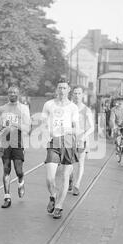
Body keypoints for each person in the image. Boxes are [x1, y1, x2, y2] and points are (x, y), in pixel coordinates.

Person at [42, 78, 79, 219]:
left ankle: (59, 206)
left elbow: (77, 129)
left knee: (64, 177)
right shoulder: (48, 105)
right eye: (60, 88)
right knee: (50, 178)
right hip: (53, 143)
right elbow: (43, 124)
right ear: (56, 89)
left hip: (68, 143)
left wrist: (67, 129)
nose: (62, 90)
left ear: (69, 90)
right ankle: (53, 196)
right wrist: (47, 133)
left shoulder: (73, 108)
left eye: (64, 88)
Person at [0, 86, 31, 209]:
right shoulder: (1, 109)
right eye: (10, 92)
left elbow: (28, 128)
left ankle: (21, 182)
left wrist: (15, 124)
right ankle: (7, 197)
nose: (12, 94)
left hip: (18, 141)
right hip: (5, 142)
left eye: (15, 92)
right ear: (7, 94)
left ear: (18, 94)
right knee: (6, 169)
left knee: (19, 170)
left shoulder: (24, 109)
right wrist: (0, 128)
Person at [68, 86, 94, 196]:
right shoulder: (68, 108)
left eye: (79, 93)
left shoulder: (86, 110)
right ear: (72, 95)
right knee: (68, 163)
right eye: (75, 93)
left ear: (82, 95)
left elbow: (92, 127)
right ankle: (70, 178)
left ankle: (77, 185)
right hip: (69, 139)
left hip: (81, 140)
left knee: (80, 163)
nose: (77, 95)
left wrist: (84, 136)